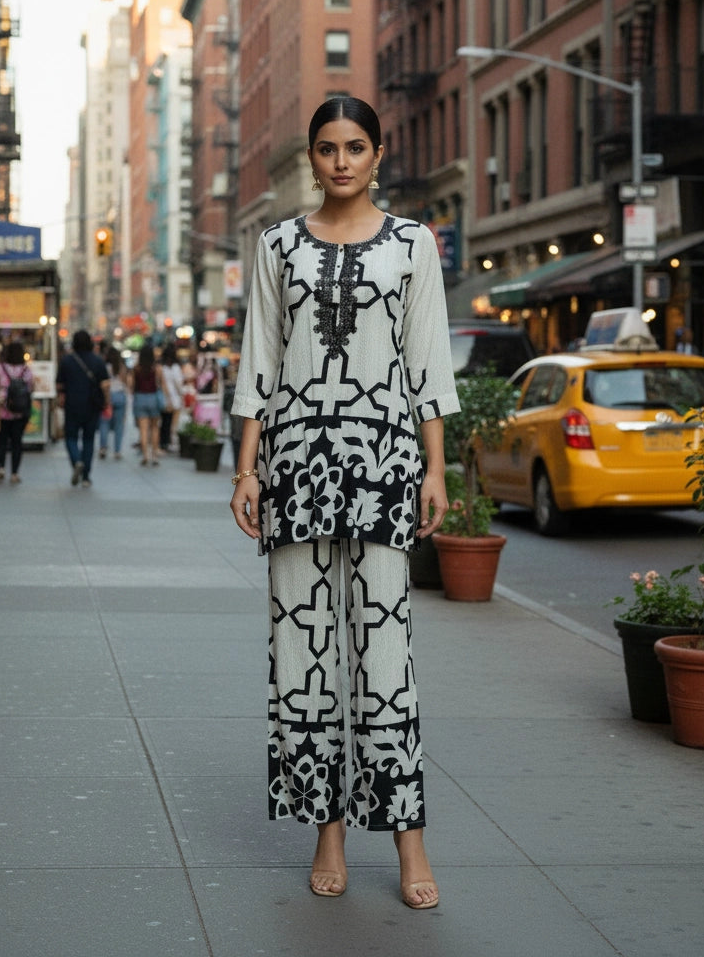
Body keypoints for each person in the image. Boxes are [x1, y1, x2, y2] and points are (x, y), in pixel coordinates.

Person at [230, 96, 458, 909]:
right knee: (302, 655)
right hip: (293, 467)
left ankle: (408, 842)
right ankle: (326, 832)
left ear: (379, 153)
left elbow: (427, 359)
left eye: (354, 147)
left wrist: (436, 469)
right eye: (326, 148)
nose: (339, 161)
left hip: (385, 463)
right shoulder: (279, 243)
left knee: (386, 656)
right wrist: (246, 469)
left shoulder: (412, 244)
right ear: (314, 159)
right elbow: (261, 353)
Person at [56, 330, 109, 486]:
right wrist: (107, 401)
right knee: (89, 439)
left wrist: (61, 398)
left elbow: (59, 385)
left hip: (72, 404)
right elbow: (105, 384)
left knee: (71, 437)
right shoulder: (98, 361)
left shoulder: (67, 361)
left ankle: (76, 460)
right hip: (92, 405)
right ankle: (86, 476)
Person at [0, 341, 35, 483]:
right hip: (20, 411)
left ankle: (1, 467)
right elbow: (31, 388)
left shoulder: (0, 368)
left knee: (1, 440)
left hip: (2, 410)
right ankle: (15, 473)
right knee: (17, 442)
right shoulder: (26, 370)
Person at [131, 343, 164, 466]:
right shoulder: (157, 368)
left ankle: (145, 455)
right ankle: (154, 456)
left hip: (140, 397)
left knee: (143, 430)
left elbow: (132, 386)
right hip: (153, 398)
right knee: (155, 428)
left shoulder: (136, 368)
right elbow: (161, 384)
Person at [98, 346, 128, 460]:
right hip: (120, 396)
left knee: (104, 423)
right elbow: (126, 383)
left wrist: (106, 398)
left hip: (107, 395)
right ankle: (117, 451)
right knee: (119, 425)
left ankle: (103, 448)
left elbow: (103, 383)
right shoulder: (121, 367)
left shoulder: (104, 367)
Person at [158, 342, 184, 452]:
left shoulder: (161, 367)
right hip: (174, 398)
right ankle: (169, 442)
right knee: (172, 422)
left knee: (163, 421)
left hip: (161, 397)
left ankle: (162, 442)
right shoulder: (175, 367)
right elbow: (178, 384)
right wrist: (182, 394)